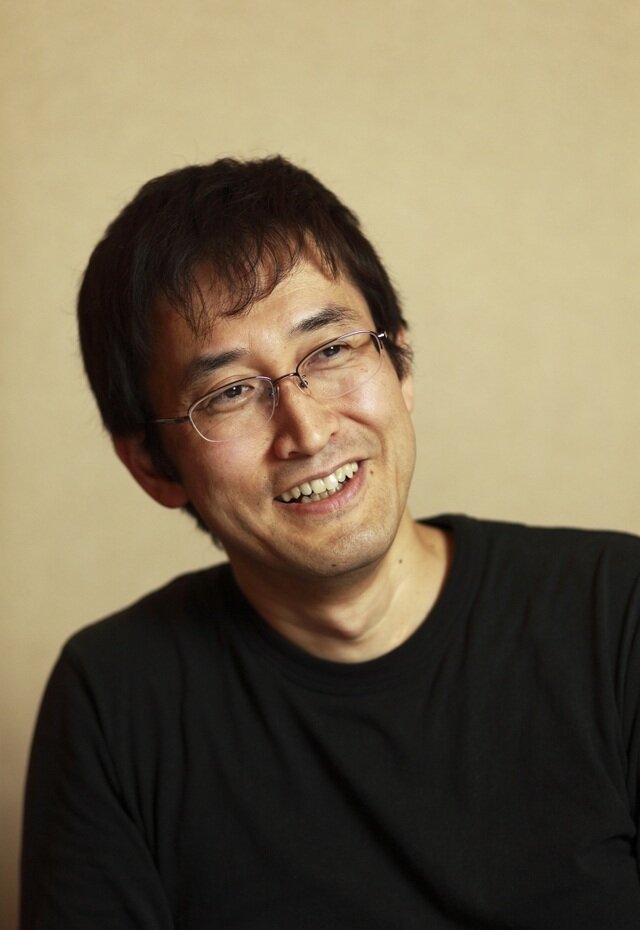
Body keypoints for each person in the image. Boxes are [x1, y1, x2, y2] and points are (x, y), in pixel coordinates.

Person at [21, 156, 640, 929]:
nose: (308, 431)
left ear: (401, 363)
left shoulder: (616, 612)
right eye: (230, 392)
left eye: (332, 351)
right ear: (152, 464)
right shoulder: (115, 698)